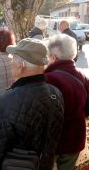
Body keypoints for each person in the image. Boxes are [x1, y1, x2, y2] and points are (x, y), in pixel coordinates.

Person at [0, 38, 65, 170]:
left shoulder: (5, 104)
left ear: (21, 65)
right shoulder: (55, 93)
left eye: (13, 58)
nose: (10, 62)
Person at [44, 34, 89, 170]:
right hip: (76, 138)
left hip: (52, 140)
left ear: (53, 57)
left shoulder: (47, 79)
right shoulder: (83, 77)